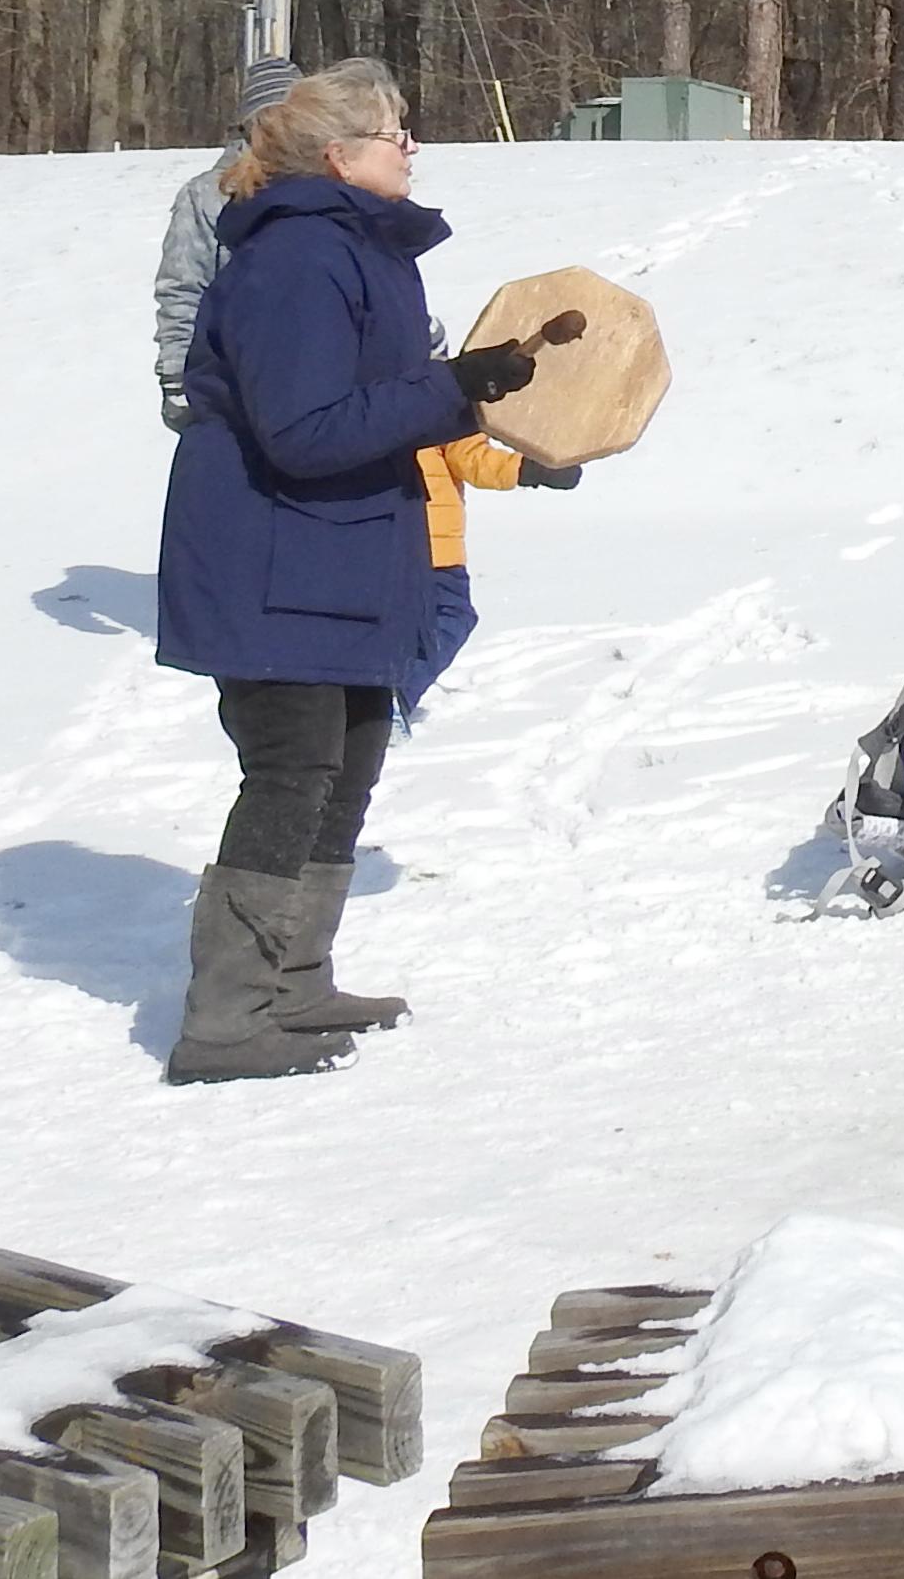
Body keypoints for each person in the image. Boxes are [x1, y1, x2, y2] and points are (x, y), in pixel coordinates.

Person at [156, 60, 542, 1082]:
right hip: (272, 554)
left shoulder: (358, 249)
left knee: (351, 755)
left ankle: (296, 980)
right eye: (393, 131)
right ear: (338, 156)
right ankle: (227, 1016)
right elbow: (305, 431)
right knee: (289, 770)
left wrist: (471, 393)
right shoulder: (296, 258)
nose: (410, 144)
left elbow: (373, 399)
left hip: (343, 552)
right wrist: (449, 388)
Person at [155, 56, 301, 428]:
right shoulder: (207, 195)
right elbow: (183, 288)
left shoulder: (330, 183)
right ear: (249, 125)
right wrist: (175, 377)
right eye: (271, 118)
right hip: (228, 383)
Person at [401, 431, 582, 718]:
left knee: (388, 625)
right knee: (451, 616)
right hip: (432, 545)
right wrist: (529, 469)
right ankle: (392, 699)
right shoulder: (440, 392)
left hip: (371, 539)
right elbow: (470, 457)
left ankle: (365, 699)